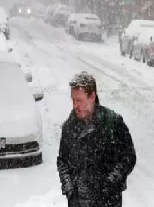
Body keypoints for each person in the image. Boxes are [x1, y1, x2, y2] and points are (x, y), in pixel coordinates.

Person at [57, 71, 136, 207]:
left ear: (92, 96)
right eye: (73, 100)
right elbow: (63, 161)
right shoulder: (69, 127)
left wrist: (111, 182)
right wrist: (69, 189)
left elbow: (128, 157)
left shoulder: (113, 123)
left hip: (108, 201)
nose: (75, 105)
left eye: (79, 100)